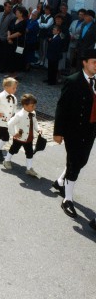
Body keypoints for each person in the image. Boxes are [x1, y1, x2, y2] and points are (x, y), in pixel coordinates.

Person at [52, 49, 96, 219]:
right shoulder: (73, 81)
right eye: (94, 62)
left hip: (90, 129)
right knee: (75, 162)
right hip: (74, 129)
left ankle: (60, 182)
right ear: (84, 62)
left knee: (81, 161)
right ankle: (67, 199)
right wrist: (58, 132)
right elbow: (61, 107)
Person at [3, 94, 40, 177]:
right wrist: (14, 133)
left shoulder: (33, 113)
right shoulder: (19, 115)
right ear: (25, 105)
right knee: (13, 149)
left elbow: (35, 122)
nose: (34, 107)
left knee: (29, 153)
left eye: (35, 105)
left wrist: (38, 129)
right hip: (19, 138)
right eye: (32, 105)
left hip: (29, 138)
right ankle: (7, 160)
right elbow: (9, 124)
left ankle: (29, 168)